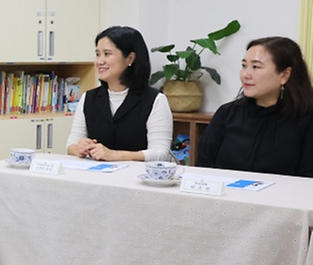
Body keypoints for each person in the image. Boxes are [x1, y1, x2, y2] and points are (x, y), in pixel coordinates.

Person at [197, 36, 313, 177]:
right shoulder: (226, 114)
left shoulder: (306, 119)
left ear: (284, 75)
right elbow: (203, 169)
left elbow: (308, 180)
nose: (246, 74)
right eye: (244, 66)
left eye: (256, 67)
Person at [66, 26, 173, 162]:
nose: (100, 61)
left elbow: (160, 153)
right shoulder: (88, 98)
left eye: (107, 54)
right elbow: (71, 145)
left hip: (137, 178)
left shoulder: (155, 100)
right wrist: (79, 149)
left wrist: (115, 155)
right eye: (98, 54)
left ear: (130, 58)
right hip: (96, 176)